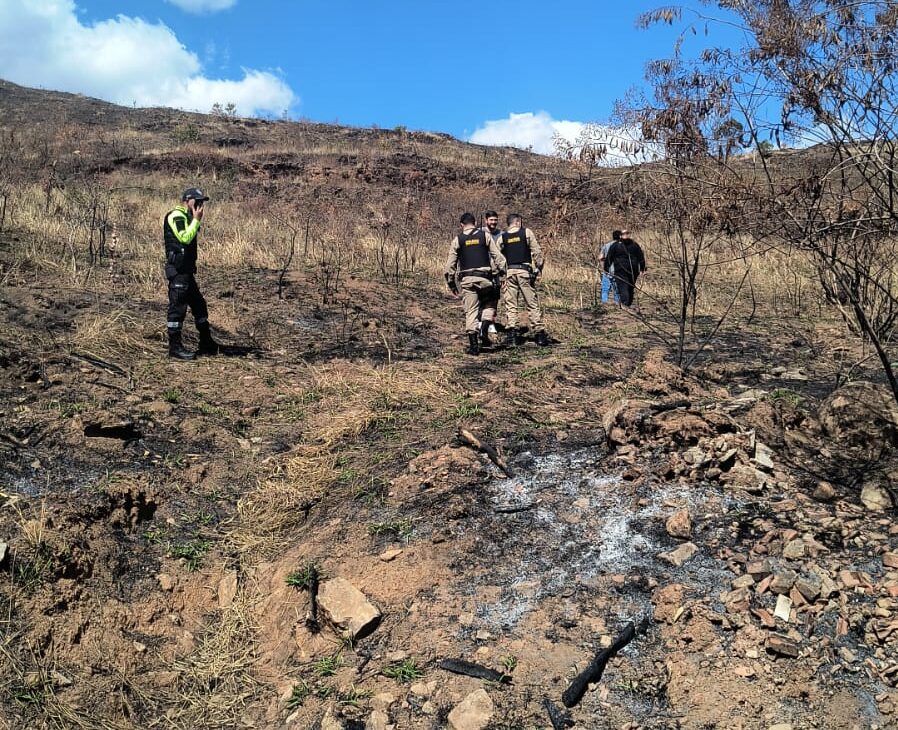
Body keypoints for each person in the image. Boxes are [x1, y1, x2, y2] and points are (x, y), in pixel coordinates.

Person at [163, 187, 220, 360]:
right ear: (187, 201)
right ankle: (175, 348)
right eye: (197, 201)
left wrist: (194, 219)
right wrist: (196, 220)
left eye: (202, 201)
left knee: (199, 306)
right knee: (177, 309)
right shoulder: (176, 216)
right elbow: (184, 238)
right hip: (178, 271)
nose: (200, 205)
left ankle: (206, 342)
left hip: (187, 271)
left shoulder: (188, 217)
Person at [445, 212, 507, 355]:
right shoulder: (484, 236)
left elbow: (449, 267)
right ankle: (484, 330)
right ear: (474, 223)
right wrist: (503, 276)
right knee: (490, 304)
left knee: (471, 311)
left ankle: (473, 347)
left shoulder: (457, 240)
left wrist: (452, 284)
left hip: (467, 280)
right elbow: (498, 257)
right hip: (485, 278)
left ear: (461, 225)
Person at [500, 213, 549, 346]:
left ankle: (513, 335)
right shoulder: (526, 232)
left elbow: (497, 256)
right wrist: (539, 267)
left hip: (509, 272)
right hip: (524, 272)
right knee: (531, 303)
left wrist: (500, 273)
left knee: (511, 305)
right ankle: (539, 334)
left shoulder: (503, 237)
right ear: (518, 222)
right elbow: (537, 252)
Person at [605, 228, 646, 307]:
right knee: (626, 286)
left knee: (627, 287)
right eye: (625, 233)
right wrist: (606, 268)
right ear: (620, 235)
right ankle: (627, 304)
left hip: (629, 270)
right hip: (623, 270)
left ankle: (626, 304)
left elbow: (641, 257)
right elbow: (609, 258)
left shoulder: (632, 244)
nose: (626, 235)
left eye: (627, 233)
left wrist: (642, 269)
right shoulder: (618, 245)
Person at [599, 230, 621, 304]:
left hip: (607, 271)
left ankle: (604, 303)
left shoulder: (606, 245)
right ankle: (617, 304)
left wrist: (603, 268)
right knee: (617, 290)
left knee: (605, 288)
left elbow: (600, 258)